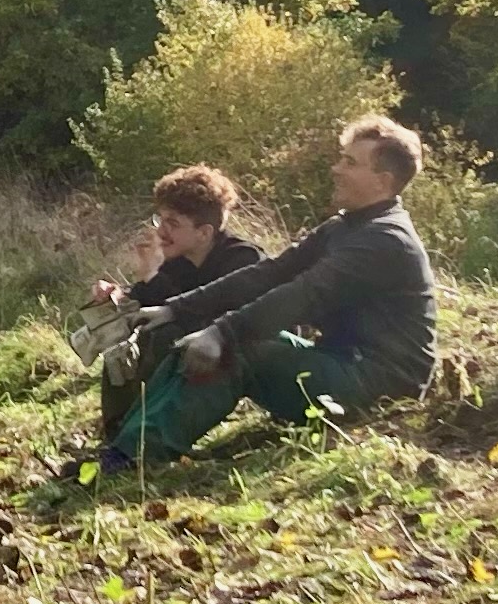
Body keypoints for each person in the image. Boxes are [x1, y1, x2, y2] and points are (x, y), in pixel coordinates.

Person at [91, 116, 440, 477]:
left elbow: (304, 295)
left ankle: (132, 460)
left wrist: (222, 333)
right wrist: (174, 309)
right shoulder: (344, 226)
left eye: (350, 163)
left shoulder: (384, 238)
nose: (336, 169)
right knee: (184, 334)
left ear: (382, 181)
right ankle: (122, 445)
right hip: (342, 361)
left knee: (236, 349)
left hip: (381, 382)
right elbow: (271, 273)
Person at [88, 164, 268, 452]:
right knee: (124, 338)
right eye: (160, 219)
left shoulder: (242, 260)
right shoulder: (180, 259)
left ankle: (144, 436)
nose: (161, 230)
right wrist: (117, 295)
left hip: (244, 356)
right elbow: (150, 304)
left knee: (163, 334)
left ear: (204, 232)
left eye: (173, 223)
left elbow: (201, 315)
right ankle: (117, 434)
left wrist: (152, 277)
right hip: (200, 355)